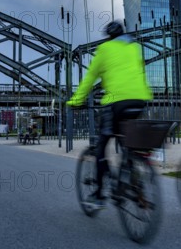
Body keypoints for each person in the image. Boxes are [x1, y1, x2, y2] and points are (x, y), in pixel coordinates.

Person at [66, 20, 153, 209]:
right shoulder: (134, 47)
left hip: (116, 103)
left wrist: (75, 101)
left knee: (101, 146)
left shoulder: (104, 49)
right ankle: (137, 187)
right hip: (139, 100)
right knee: (127, 146)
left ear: (109, 36)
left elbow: (90, 78)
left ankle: (97, 196)